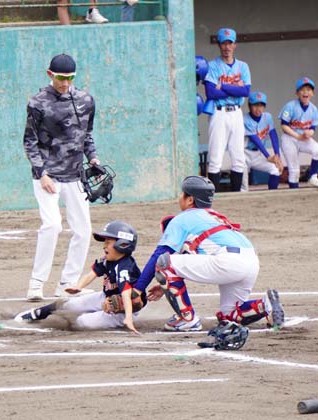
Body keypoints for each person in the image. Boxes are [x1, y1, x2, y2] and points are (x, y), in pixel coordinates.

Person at [131, 176, 285, 332]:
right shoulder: (213, 216)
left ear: (190, 200)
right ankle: (266, 305)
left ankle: (187, 319)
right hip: (250, 260)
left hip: (228, 261)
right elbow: (196, 261)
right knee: (229, 317)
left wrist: (137, 290)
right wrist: (167, 284)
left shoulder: (183, 218)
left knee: (164, 263)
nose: (180, 197)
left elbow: (160, 256)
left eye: (182, 194)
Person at [23, 53, 101, 301]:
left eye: (70, 78)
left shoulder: (86, 100)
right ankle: (36, 284)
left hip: (75, 175)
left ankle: (68, 283)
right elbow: (30, 141)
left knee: (83, 229)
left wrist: (93, 158)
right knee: (52, 225)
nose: (65, 83)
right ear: (50, 74)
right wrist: (41, 173)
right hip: (48, 176)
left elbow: (86, 135)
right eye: (60, 78)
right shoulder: (37, 103)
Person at [14, 221, 144, 334]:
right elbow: (92, 274)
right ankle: (39, 312)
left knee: (83, 322)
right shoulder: (107, 260)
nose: (104, 246)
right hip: (105, 297)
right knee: (70, 304)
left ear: (122, 244)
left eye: (108, 242)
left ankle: (91, 318)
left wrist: (128, 317)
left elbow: (126, 293)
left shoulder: (124, 268)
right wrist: (78, 287)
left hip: (124, 310)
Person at [204, 28, 252, 192]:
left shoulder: (243, 66)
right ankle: (214, 196)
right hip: (219, 113)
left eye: (230, 43)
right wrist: (235, 88)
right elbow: (211, 93)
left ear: (235, 45)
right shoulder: (212, 66)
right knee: (215, 157)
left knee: (238, 157)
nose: (227, 47)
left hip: (236, 113)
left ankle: (236, 195)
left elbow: (245, 91)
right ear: (219, 45)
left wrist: (223, 86)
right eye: (223, 43)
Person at [278, 77, 318, 188]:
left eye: (308, 90)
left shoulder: (314, 109)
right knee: (294, 171)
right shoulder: (290, 106)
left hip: (303, 138)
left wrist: (310, 133)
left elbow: (313, 127)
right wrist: (297, 136)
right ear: (297, 93)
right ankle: (294, 194)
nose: (305, 92)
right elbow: (284, 125)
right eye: (302, 90)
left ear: (312, 93)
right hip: (289, 138)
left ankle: (313, 177)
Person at [242, 91, 283, 190]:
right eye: (255, 105)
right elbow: (255, 140)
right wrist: (268, 156)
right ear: (249, 106)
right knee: (244, 188)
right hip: (244, 154)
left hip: (258, 154)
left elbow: (273, 135)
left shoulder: (267, 117)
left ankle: (272, 195)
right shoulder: (245, 119)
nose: (258, 108)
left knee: (275, 169)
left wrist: (277, 156)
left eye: (261, 105)